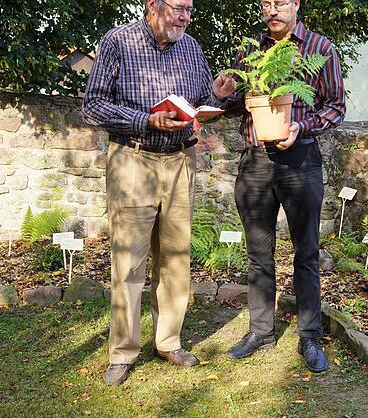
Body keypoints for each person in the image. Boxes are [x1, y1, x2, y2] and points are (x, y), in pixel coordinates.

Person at [82, 0, 235, 386]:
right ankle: (122, 352)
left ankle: (168, 341)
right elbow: (93, 106)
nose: (185, 16)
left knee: (175, 256)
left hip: (181, 160)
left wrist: (217, 95)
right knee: (129, 261)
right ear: (153, 5)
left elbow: (202, 102)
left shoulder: (191, 47)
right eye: (178, 7)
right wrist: (145, 119)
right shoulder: (118, 41)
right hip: (133, 158)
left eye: (190, 9)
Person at [220, 0, 346, 373]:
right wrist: (224, 94)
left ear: (296, 4)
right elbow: (237, 106)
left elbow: (335, 106)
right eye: (266, 3)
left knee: (306, 253)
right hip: (255, 163)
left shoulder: (321, 49)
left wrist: (300, 127)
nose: (272, 10)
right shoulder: (251, 51)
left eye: (281, 2)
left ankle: (309, 335)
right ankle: (260, 330)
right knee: (258, 254)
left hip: (301, 161)